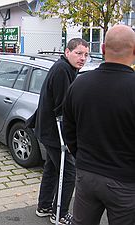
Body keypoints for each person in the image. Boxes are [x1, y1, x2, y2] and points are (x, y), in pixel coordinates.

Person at [62, 25, 135, 225]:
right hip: (125, 181)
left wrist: (81, 156)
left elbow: (68, 128)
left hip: (87, 175)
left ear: (102, 49)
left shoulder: (79, 83)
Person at [34, 38, 89, 225]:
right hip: (54, 133)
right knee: (69, 172)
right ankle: (59, 213)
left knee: (51, 168)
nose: (82, 58)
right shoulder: (62, 70)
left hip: (47, 131)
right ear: (67, 52)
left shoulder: (66, 68)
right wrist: (69, 139)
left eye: (86, 55)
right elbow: (62, 108)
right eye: (78, 53)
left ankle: (44, 206)